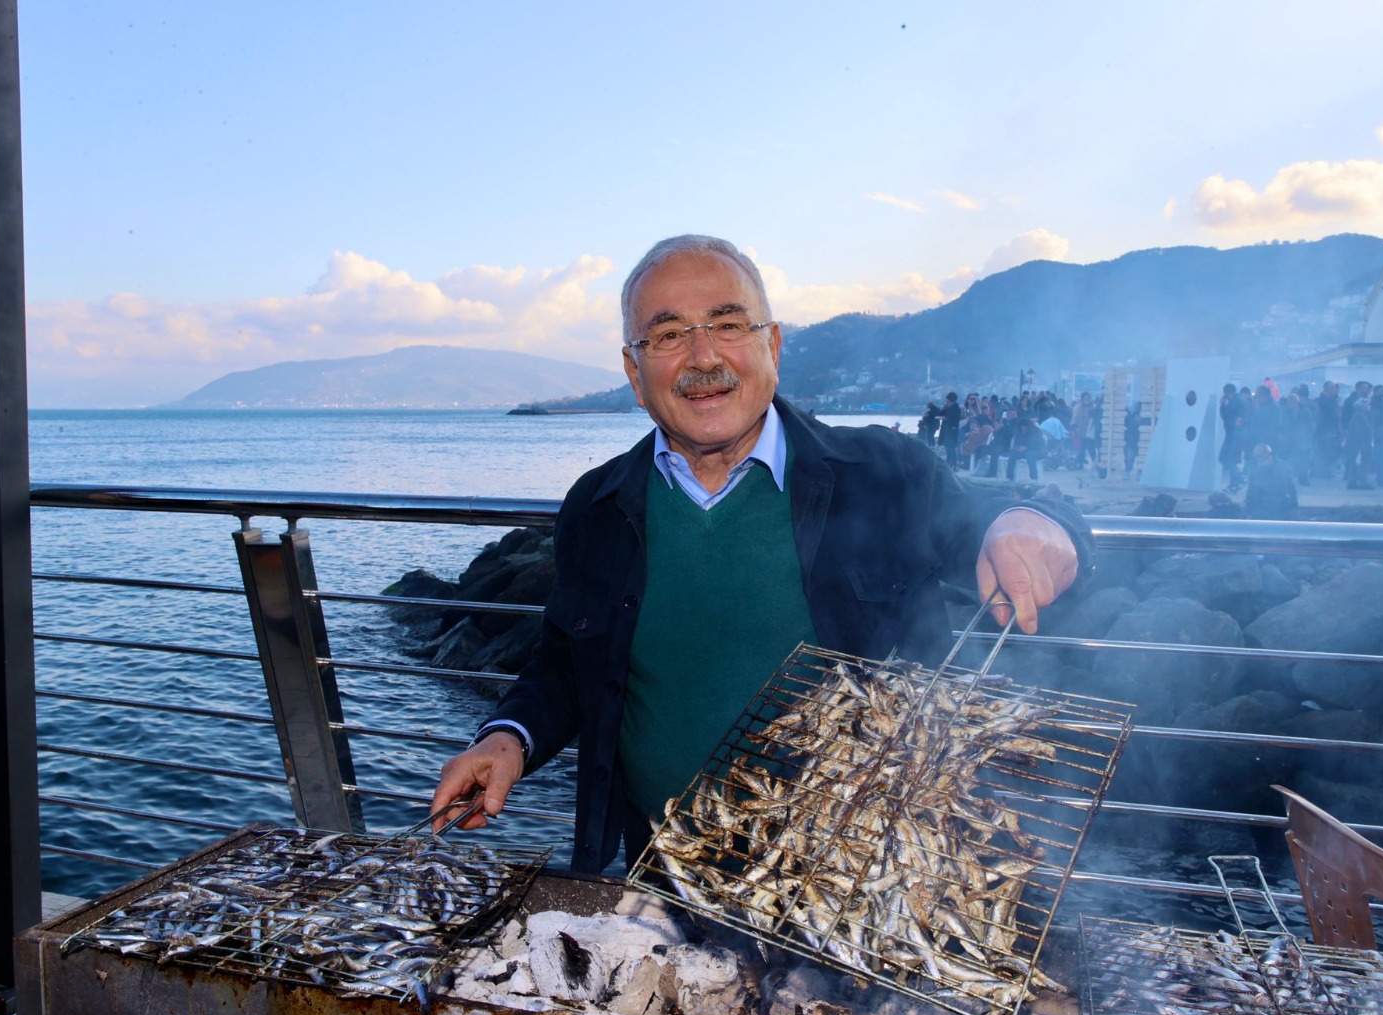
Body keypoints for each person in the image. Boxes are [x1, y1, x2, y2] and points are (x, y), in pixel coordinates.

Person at [429, 235, 1090, 873]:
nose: (702, 356)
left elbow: (987, 518)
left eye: (728, 324)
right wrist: (507, 738)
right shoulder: (595, 508)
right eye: (667, 334)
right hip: (666, 874)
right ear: (635, 372)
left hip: (859, 881)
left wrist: (1035, 525)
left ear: (772, 345)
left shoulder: (882, 472)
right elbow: (565, 666)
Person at [1244, 444, 1298, 520]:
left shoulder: (1283, 468)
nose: (1257, 459)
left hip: (1280, 509)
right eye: (1255, 456)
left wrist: (1293, 507)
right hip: (1259, 510)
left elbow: (1292, 489)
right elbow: (1250, 492)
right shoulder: (1254, 470)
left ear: (1268, 454)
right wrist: (1248, 511)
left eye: (1259, 456)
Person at [938, 391, 963, 467]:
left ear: (951, 401)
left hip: (952, 431)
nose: (946, 402)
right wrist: (944, 408)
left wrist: (947, 419)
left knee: (951, 447)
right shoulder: (948, 408)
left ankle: (953, 463)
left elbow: (955, 420)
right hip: (946, 430)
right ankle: (949, 462)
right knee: (947, 446)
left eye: (947, 401)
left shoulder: (956, 408)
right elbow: (940, 414)